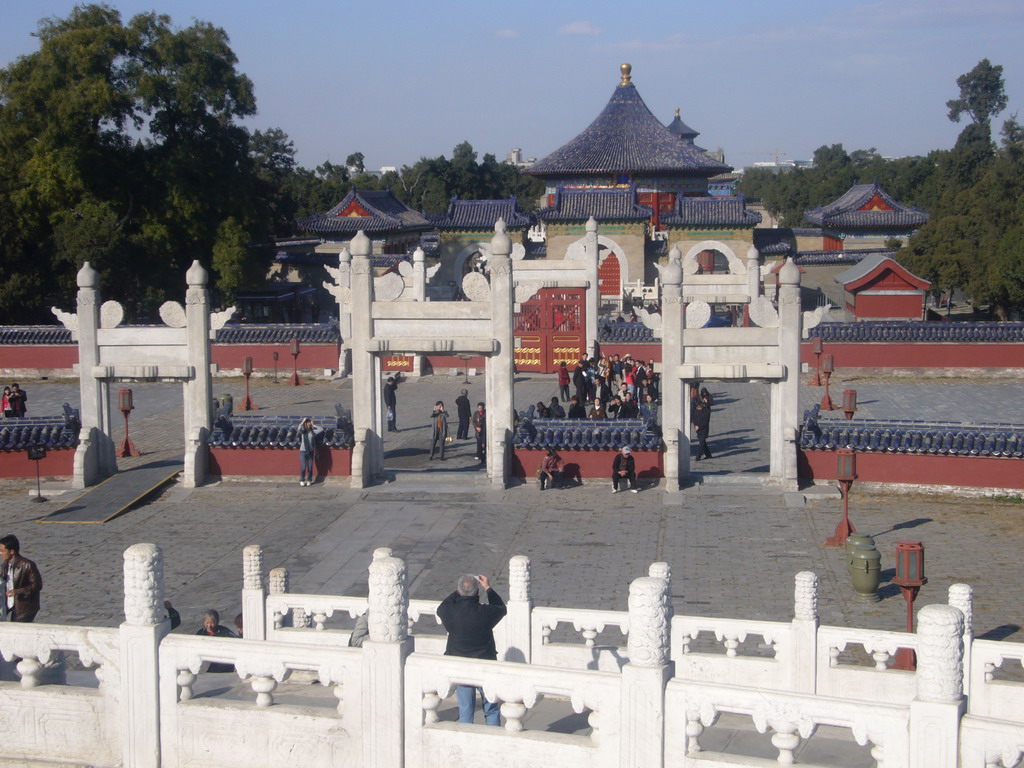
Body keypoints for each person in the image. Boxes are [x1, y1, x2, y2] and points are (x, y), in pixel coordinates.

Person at [437, 574, 507, 726]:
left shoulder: (451, 612)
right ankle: (494, 739)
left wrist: (458, 592)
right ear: (477, 592)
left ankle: (466, 741)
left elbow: (441, 608)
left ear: (459, 590)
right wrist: (488, 588)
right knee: (491, 709)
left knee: (466, 711)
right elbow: (501, 608)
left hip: (461, 666)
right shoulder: (484, 612)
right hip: (485, 664)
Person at [0, 534, 42, 622]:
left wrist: (18, 591)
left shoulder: (27, 565)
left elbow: (37, 585)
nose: (0, 553)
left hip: (24, 608)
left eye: (2, 551)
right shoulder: (4, 565)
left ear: (12, 551)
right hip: (9, 604)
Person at [298, 417, 322, 486]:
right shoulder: (303, 432)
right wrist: (302, 422)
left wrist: (314, 425)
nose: (308, 424)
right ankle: (302, 479)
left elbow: (321, 429)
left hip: (311, 451)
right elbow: (299, 428)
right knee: (303, 466)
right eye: (307, 423)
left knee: (310, 467)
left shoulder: (313, 432)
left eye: (309, 423)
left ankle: (309, 479)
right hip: (303, 451)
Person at [692, 388, 714, 461]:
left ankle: (698, 457)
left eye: (699, 407)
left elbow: (705, 421)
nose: (698, 408)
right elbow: (694, 419)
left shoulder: (706, 412)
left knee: (701, 443)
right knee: (703, 442)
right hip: (698, 429)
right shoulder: (696, 411)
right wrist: (695, 425)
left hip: (703, 429)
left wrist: (699, 426)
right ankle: (708, 454)